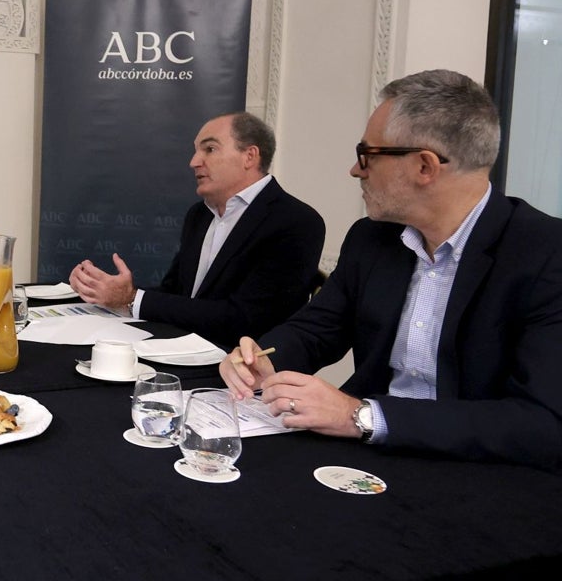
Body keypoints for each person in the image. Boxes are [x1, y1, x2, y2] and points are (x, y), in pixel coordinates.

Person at [221, 70, 562, 470]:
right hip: (367, 460)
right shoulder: (372, 238)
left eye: (367, 155)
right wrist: (266, 359)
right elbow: (319, 327)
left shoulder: (545, 254)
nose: (355, 170)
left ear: (425, 167)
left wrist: (360, 416)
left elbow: (541, 423)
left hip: (482, 475)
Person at [69, 112, 325, 347]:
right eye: (195, 151)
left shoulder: (296, 222)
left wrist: (131, 298)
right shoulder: (200, 215)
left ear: (249, 156)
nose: (194, 162)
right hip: (176, 349)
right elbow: (175, 294)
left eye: (210, 149)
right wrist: (110, 293)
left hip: (237, 373)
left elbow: (246, 320)